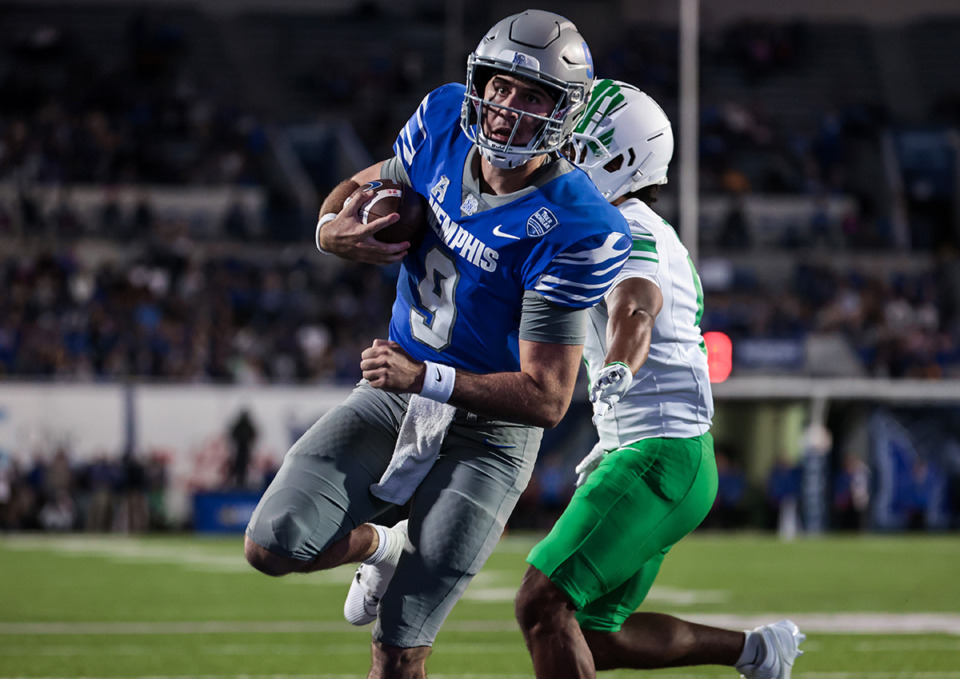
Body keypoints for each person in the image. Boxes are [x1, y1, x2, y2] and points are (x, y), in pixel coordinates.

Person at [243, 10, 632, 679]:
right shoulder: (444, 121)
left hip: (490, 432)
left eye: (532, 95)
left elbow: (546, 397)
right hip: (395, 397)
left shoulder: (578, 224)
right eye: (501, 85)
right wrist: (329, 229)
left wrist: (425, 376)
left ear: (564, 113)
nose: (507, 107)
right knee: (272, 544)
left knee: (399, 654)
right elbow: (363, 185)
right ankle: (380, 545)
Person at [513, 80, 806, 679]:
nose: (556, 149)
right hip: (666, 452)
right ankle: (757, 652)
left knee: (542, 602)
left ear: (616, 160)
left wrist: (619, 362)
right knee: (597, 636)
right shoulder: (616, 222)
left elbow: (636, 304)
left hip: (659, 451)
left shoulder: (630, 225)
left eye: (572, 139)